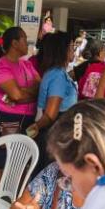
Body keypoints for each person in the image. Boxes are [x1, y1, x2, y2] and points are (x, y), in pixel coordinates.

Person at [29, 32, 77, 168]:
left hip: (53, 134)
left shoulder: (55, 72)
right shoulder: (58, 76)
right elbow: (50, 115)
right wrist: (31, 130)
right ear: (63, 50)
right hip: (55, 135)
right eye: (72, 47)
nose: (74, 51)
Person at [0, 26, 41, 140]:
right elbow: (17, 96)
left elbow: (41, 87)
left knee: (27, 151)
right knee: (9, 151)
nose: (28, 43)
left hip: (30, 119)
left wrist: (22, 91)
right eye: (25, 39)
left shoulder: (27, 64)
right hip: (9, 119)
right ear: (15, 43)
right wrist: (32, 93)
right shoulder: (0, 66)